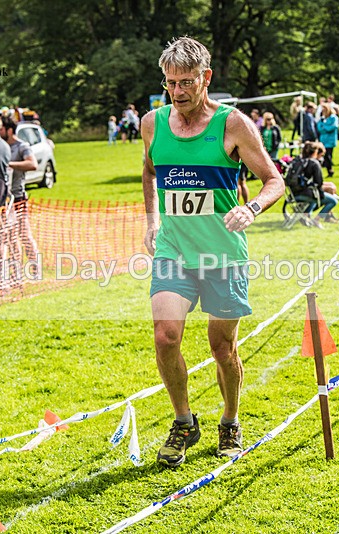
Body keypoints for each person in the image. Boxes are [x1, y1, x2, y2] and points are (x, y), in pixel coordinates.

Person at [142, 36, 284, 468]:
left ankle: (230, 421)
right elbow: (149, 172)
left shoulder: (233, 125)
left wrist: (251, 208)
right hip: (174, 250)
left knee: (222, 349)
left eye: (186, 82)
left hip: (223, 254)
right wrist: (151, 220)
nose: (178, 92)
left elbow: (274, 180)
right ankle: (184, 422)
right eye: (171, 83)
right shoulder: (153, 123)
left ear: (206, 78)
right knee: (166, 336)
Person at [0, 115, 40, 270]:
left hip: (18, 198)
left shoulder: (21, 146)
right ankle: (16, 270)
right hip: (4, 200)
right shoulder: (0, 146)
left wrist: (10, 164)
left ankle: (36, 267)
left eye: (1, 129)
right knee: (10, 237)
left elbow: (32, 164)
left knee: (24, 235)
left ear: (9, 130)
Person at [317, 103, 338, 177]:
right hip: (323, 140)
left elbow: (333, 127)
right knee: (324, 155)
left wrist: (325, 127)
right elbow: (319, 128)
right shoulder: (322, 119)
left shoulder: (333, 118)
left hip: (330, 140)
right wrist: (325, 128)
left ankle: (330, 170)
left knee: (328, 155)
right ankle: (328, 170)